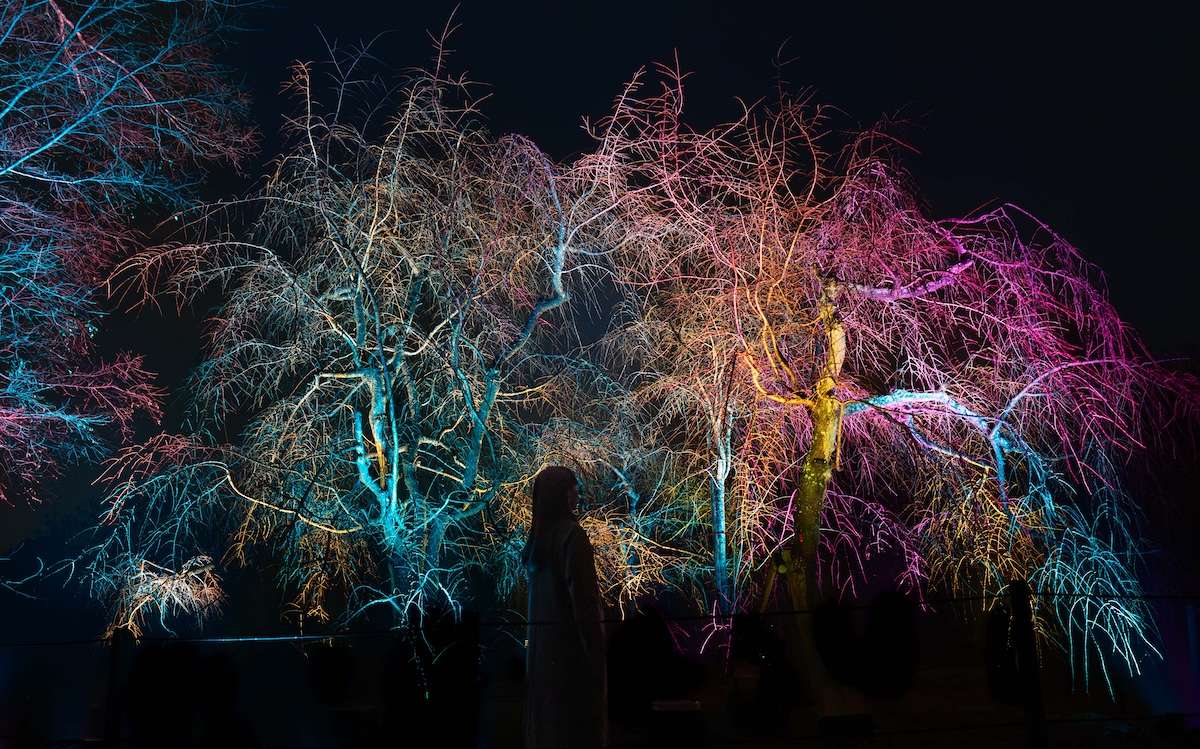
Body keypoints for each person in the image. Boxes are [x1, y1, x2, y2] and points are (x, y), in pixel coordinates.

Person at [523, 466, 607, 749]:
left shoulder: (536, 543)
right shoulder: (572, 537)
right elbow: (584, 605)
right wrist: (595, 655)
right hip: (571, 659)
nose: (576, 494)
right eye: (571, 488)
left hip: (542, 659)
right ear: (560, 494)